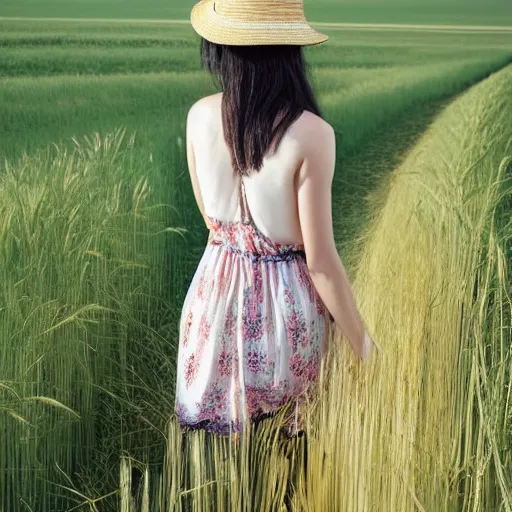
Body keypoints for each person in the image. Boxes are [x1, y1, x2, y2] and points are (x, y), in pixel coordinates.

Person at [174, 0, 375, 440]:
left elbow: (212, 221)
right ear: (290, 49)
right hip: (285, 317)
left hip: (212, 305)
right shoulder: (312, 135)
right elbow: (321, 263)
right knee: (288, 459)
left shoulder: (198, 117)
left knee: (217, 463)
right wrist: (364, 346)